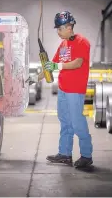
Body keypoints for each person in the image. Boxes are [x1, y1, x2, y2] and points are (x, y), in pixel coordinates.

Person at [29, 11, 93, 168]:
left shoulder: (82, 42)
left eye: (60, 28)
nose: (58, 32)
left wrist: (57, 66)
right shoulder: (63, 45)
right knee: (65, 122)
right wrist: (33, 79)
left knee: (77, 122)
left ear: (69, 27)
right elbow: (50, 66)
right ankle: (65, 153)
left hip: (75, 90)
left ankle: (86, 155)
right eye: (57, 29)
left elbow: (78, 63)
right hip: (63, 90)